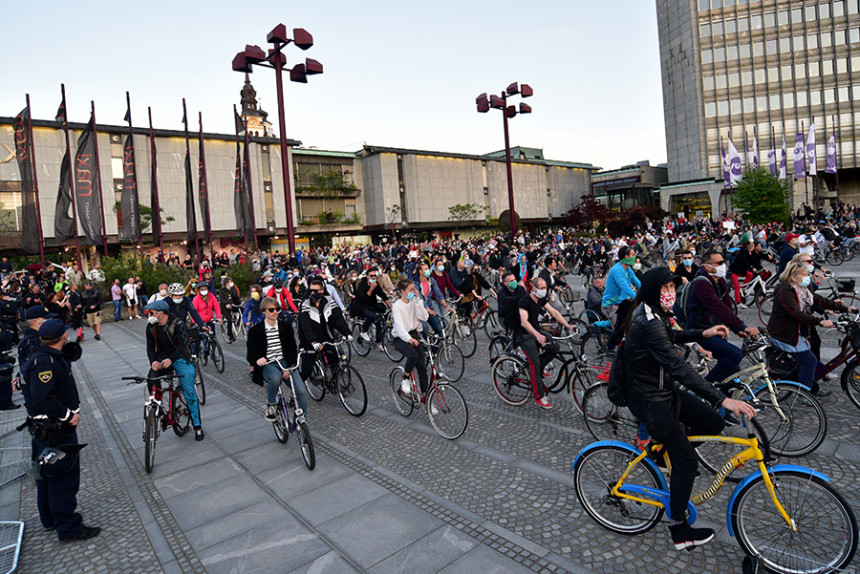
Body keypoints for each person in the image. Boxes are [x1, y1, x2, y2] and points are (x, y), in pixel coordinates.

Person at [622, 267, 756, 550]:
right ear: (652, 291)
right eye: (664, 290)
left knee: (712, 422)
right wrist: (723, 399)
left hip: (665, 391)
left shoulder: (654, 313)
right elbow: (677, 366)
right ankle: (680, 530)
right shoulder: (647, 320)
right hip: (651, 399)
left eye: (672, 289)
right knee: (687, 463)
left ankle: (662, 449)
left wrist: (702, 332)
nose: (670, 294)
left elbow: (671, 336)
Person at [21, 318, 101, 542]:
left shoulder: (46, 357)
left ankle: (49, 518)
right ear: (63, 336)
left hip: (45, 429)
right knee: (62, 477)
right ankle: (68, 527)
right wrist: (68, 416)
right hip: (55, 428)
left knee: (46, 474)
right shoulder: (45, 362)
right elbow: (44, 397)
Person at [767, 261, 853, 396]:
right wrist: (820, 321)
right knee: (810, 361)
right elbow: (795, 312)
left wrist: (845, 308)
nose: (808, 276)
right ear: (794, 277)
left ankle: (812, 384)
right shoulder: (785, 291)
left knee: (811, 357)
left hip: (798, 331)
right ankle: (804, 394)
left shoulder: (803, 290)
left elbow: (820, 300)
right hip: (785, 333)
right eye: (805, 274)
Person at [687, 251, 758, 384]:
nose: (723, 265)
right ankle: (705, 388)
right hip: (700, 330)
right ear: (707, 267)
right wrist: (741, 326)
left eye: (723, 262)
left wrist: (738, 330)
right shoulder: (701, 284)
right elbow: (718, 307)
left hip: (715, 328)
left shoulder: (719, 281)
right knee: (735, 354)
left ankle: (722, 403)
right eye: (719, 263)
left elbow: (727, 306)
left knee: (733, 374)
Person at [144, 300, 204, 441]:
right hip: (162, 358)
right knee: (151, 379)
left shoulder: (178, 324)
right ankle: (158, 409)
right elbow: (149, 347)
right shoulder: (151, 327)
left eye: (151, 312)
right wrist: (153, 361)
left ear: (161, 314)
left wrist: (171, 359)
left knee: (189, 390)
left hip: (180, 357)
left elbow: (183, 345)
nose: (149, 315)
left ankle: (197, 426)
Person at [515, 276, 576, 409]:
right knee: (534, 363)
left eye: (545, 288)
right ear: (534, 288)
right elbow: (523, 322)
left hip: (536, 331)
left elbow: (554, 312)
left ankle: (539, 371)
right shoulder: (524, 301)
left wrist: (568, 325)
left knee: (554, 347)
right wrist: (537, 335)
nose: (544, 290)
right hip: (525, 335)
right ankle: (539, 397)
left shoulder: (540, 299)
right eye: (541, 288)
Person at [246, 297, 308, 421]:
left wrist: (289, 368)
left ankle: (301, 420)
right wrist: (258, 359)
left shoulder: (286, 327)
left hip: (286, 362)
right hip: (269, 364)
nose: (275, 312)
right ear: (264, 311)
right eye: (271, 310)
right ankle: (271, 404)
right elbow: (251, 353)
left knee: (301, 392)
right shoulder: (255, 331)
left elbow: (292, 349)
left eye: (277, 309)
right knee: (274, 378)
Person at [297, 279, 352, 385]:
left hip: (326, 336)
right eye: (311, 291)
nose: (312, 293)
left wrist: (347, 333)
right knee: (306, 370)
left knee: (336, 360)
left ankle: (335, 383)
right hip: (309, 340)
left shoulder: (329, 301)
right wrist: (313, 342)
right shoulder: (305, 304)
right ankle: (294, 393)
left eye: (315, 291)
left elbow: (338, 319)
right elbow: (305, 325)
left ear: (322, 291)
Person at [392, 279, 431, 398]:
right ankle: (406, 378)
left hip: (414, 334)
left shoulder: (415, 301)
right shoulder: (397, 306)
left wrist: (419, 301)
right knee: (413, 355)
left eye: (414, 289)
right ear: (403, 291)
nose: (413, 292)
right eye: (410, 290)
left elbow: (424, 317)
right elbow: (399, 326)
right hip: (400, 336)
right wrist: (408, 339)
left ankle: (425, 396)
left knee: (422, 367)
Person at [602, 250, 641, 328]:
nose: (635, 257)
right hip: (611, 304)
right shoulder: (617, 270)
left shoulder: (628, 269)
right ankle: (595, 326)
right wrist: (639, 298)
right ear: (626, 256)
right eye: (633, 255)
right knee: (619, 330)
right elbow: (625, 287)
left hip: (622, 303)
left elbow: (638, 283)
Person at [352, 270, 388, 347]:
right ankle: (364, 331)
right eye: (371, 276)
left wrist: (389, 304)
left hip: (372, 305)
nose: (373, 277)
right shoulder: (362, 284)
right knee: (372, 315)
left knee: (381, 318)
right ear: (367, 276)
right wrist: (371, 289)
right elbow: (364, 299)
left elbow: (382, 294)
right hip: (361, 306)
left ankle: (379, 341)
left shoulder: (376, 284)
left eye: (375, 275)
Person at [219, 277, 242, 343]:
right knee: (229, 320)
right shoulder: (222, 290)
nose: (232, 283)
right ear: (226, 283)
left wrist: (240, 302)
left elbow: (236, 298)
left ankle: (238, 322)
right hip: (225, 307)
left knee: (242, 310)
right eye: (230, 282)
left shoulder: (233, 289)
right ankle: (230, 335)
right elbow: (222, 300)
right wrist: (226, 304)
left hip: (233, 305)